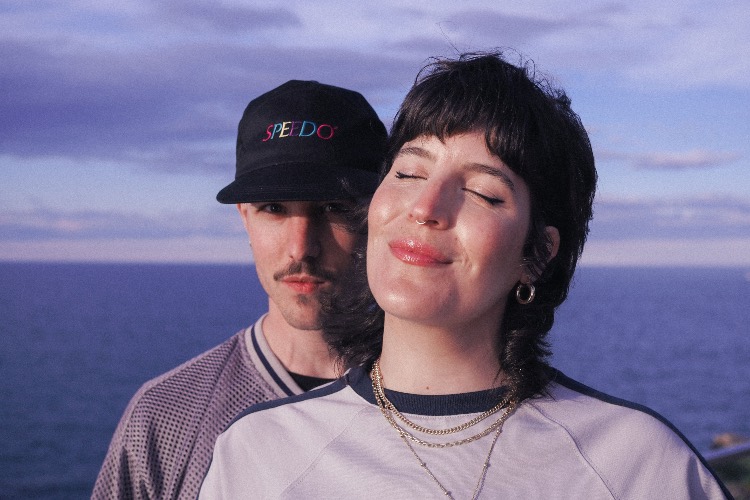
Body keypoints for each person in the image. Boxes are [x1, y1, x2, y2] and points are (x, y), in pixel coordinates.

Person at [199, 53, 730, 498]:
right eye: (409, 172)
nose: (425, 206)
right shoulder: (260, 454)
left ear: (537, 255)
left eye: (482, 192)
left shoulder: (636, 465)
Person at [92, 80, 386, 499]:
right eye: (273, 208)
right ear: (244, 217)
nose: (301, 247)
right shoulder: (166, 416)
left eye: (333, 207)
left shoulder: (447, 409)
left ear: (379, 215)